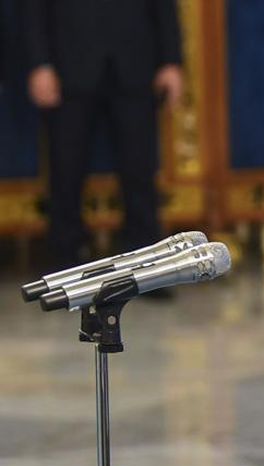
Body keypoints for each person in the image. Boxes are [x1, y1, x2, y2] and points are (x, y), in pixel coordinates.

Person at [24, 0, 182, 270]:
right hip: (68, 64)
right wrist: (39, 63)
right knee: (65, 170)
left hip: (135, 62)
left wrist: (171, 60)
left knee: (140, 171)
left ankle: (146, 266)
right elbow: (32, 8)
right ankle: (66, 262)